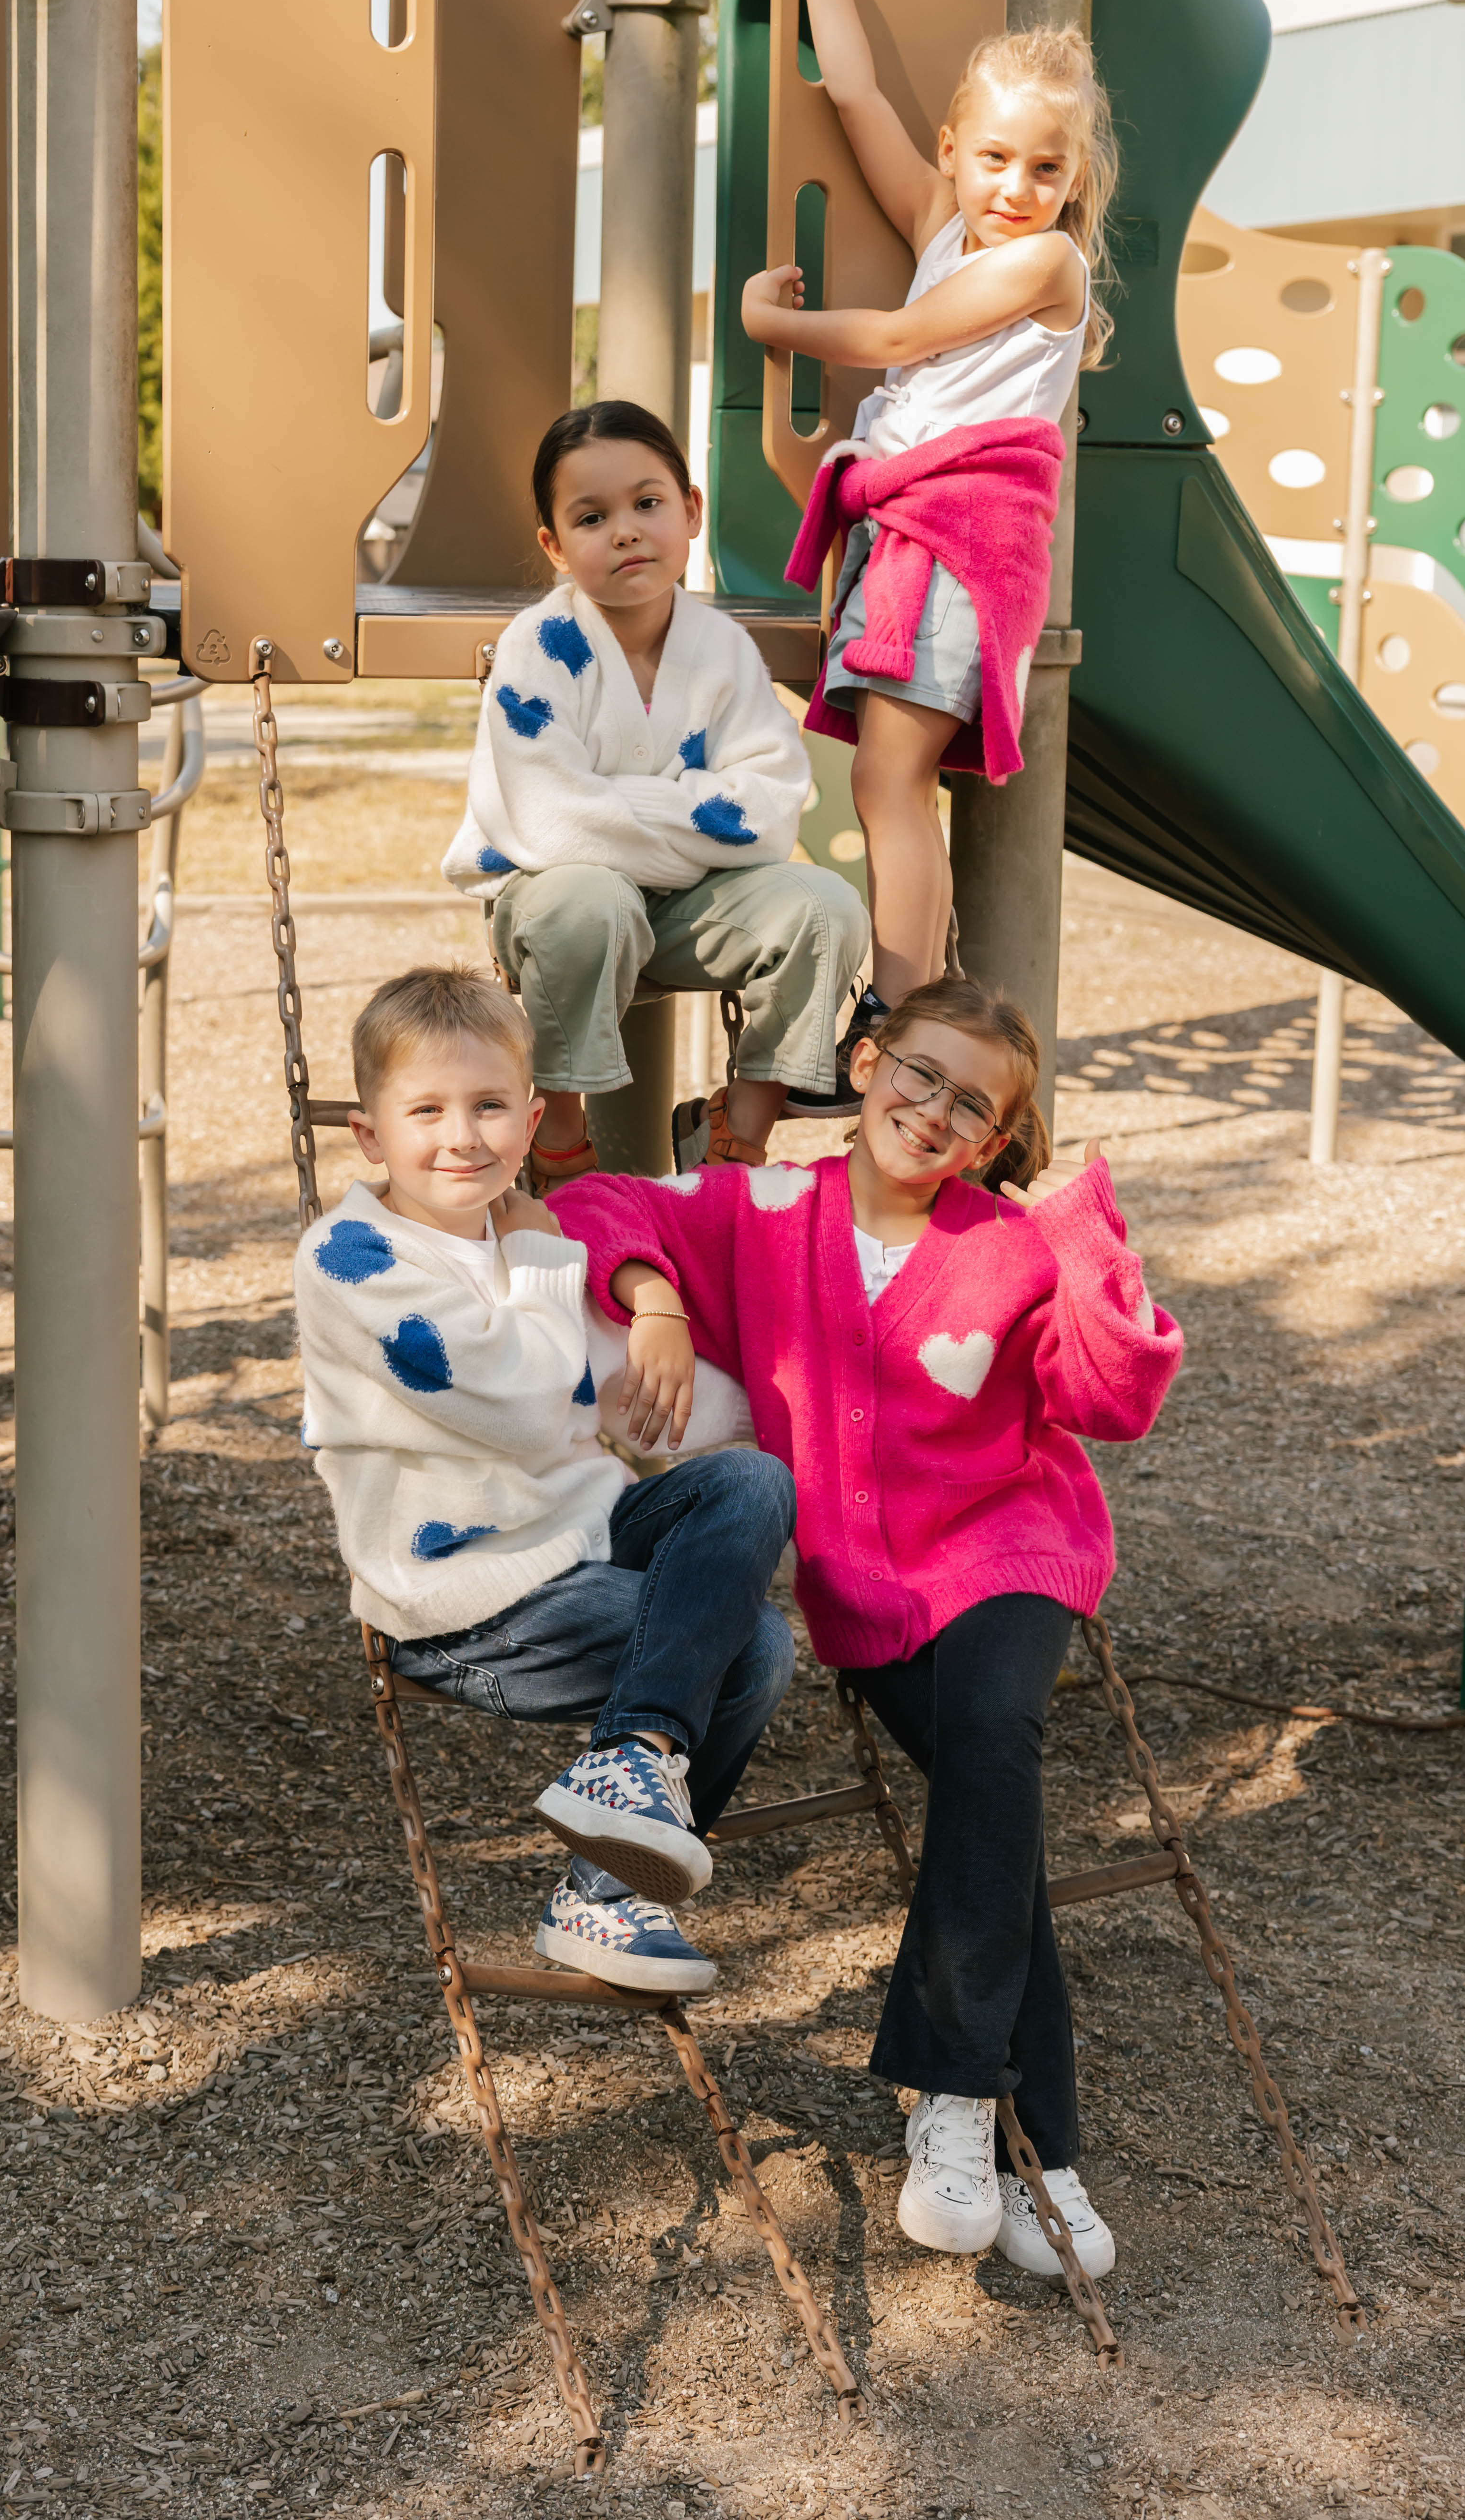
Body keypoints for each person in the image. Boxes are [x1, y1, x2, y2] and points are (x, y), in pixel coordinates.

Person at [553, 979, 1182, 2276]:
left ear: (998, 1139)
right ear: (865, 1058)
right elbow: (591, 1204)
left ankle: (959, 2101)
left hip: (1013, 1547)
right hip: (873, 1594)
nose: (934, 1110)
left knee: (997, 1736)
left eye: (974, 1106)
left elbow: (1114, 1394)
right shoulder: (759, 1208)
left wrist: (1079, 1230)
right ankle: (1042, 2150)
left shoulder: (1007, 1244)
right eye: (919, 1073)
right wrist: (658, 1302)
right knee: (984, 1813)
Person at [294, 964, 798, 1994]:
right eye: (425, 1111)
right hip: (467, 1602)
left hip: (578, 1535)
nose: (461, 1138)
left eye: (487, 1108)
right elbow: (527, 1401)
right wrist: (540, 1253)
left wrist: (659, 1314)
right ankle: (610, 1895)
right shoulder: (350, 1258)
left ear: (530, 1123)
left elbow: (616, 1399)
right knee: (748, 1646)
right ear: (369, 1134)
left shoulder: (518, 1240)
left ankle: (621, 1798)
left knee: (747, 1485)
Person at [743, 0, 1118, 1053]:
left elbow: (902, 340)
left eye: (1044, 171)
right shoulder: (942, 226)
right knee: (889, 786)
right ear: (954, 151)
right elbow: (852, 88)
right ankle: (921, 994)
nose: (1016, 189)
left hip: (959, 537)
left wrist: (774, 329)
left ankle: (899, 1013)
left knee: (889, 786)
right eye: (995, 158)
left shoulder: (1044, 267)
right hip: (915, 535)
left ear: (1071, 185)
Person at [441, 399, 869, 1183]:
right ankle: (561, 1136)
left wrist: (617, 801)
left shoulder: (721, 652)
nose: (627, 530)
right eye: (592, 517)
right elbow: (547, 822)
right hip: (555, 904)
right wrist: (692, 805)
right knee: (593, 899)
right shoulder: (539, 650)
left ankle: (741, 1133)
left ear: (690, 511)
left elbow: (769, 810)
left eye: (648, 503)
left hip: (687, 910)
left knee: (824, 906)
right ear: (557, 547)